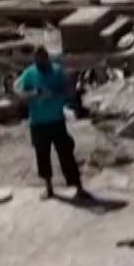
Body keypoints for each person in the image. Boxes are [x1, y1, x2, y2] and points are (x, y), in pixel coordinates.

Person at [14, 46, 85, 198]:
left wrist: (54, 93)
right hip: (38, 123)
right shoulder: (29, 73)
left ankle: (78, 187)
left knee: (66, 154)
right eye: (37, 61)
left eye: (42, 61)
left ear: (47, 58)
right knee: (42, 155)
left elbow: (68, 90)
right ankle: (49, 188)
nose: (40, 64)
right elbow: (19, 92)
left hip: (56, 120)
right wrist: (33, 93)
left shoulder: (57, 71)